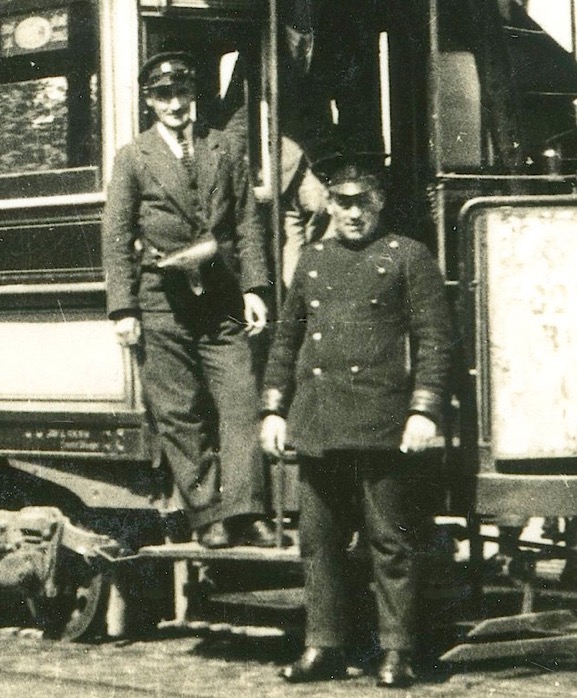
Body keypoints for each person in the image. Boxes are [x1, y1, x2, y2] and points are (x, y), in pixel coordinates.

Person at [260, 152, 452, 687]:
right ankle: (323, 646)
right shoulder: (314, 260)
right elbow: (287, 339)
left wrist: (424, 409)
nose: (352, 215)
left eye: (362, 203)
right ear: (328, 204)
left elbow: (436, 342)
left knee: (390, 541)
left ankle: (397, 652)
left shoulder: (408, 257)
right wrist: (274, 407)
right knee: (318, 542)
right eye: (341, 203)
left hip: (382, 419)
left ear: (380, 203)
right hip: (319, 419)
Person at [103, 52, 276, 549]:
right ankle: (207, 515)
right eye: (163, 96)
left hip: (222, 299)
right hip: (162, 300)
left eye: (181, 93)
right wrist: (124, 309)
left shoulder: (224, 147)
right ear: (150, 102)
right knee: (179, 411)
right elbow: (115, 236)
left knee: (241, 402)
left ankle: (247, 511)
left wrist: (255, 290)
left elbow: (246, 223)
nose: (175, 104)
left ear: (193, 94)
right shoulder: (133, 157)